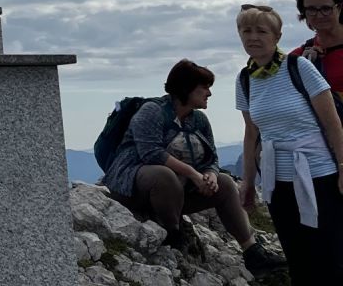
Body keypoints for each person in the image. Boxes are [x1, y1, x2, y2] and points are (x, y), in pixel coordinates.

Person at [102, 58, 284, 272]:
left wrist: (210, 175)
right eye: (204, 88)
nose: (209, 93)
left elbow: (211, 159)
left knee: (225, 183)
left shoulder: (198, 120)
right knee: (164, 175)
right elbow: (151, 153)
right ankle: (172, 234)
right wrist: (193, 175)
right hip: (133, 186)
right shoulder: (152, 111)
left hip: (176, 191)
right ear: (186, 89)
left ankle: (252, 252)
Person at [237, 3, 343, 286]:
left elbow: (332, 123)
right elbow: (252, 133)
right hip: (279, 180)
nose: (253, 38)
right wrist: (248, 182)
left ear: (277, 37)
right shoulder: (245, 79)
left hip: (319, 175)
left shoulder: (301, 68)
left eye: (261, 32)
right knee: (298, 256)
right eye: (246, 32)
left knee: (331, 256)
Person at [290, 0, 343, 97]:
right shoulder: (297, 58)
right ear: (304, 14)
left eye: (326, 9)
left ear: (339, 8)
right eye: (311, 10)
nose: (319, 15)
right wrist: (303, 68)